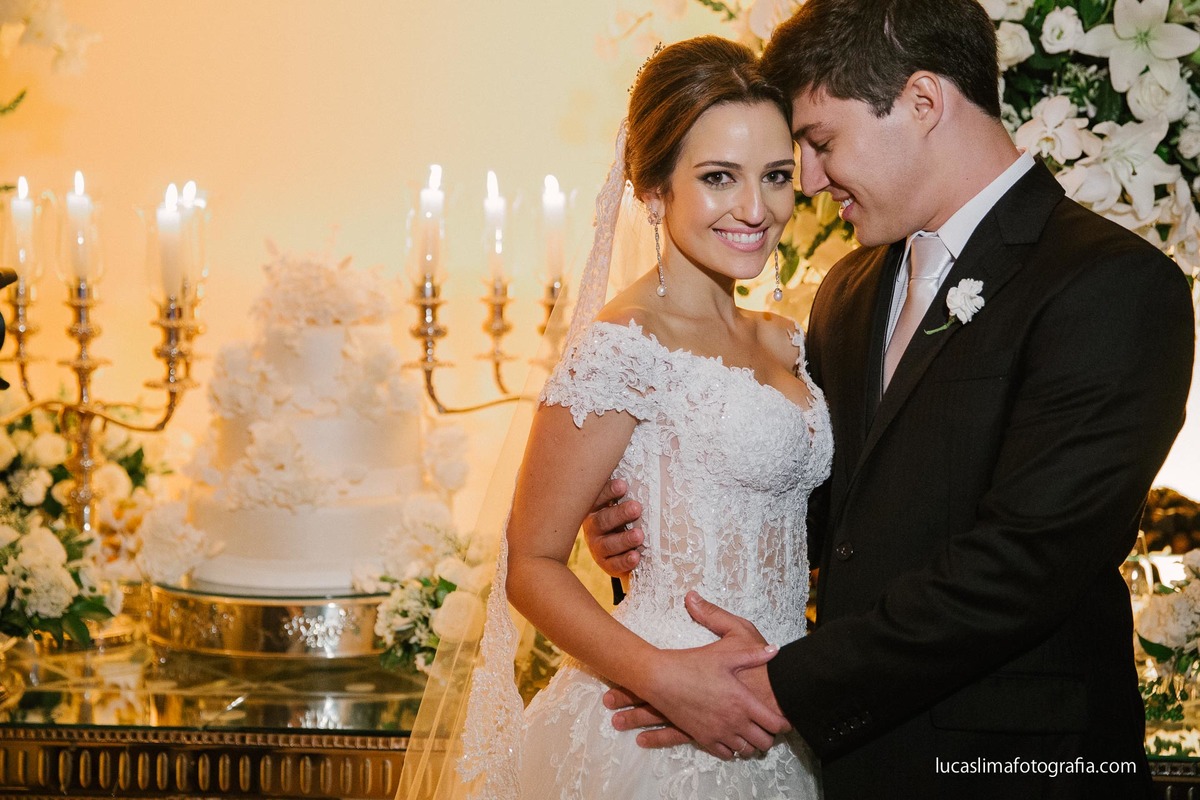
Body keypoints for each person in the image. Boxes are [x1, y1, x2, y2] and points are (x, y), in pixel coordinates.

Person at [583, 1, 1197, 797]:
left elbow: (1027, 561)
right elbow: (823, 511)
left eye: (820, 142)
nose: (807, 181)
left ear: (923, 101)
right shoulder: (849, 288)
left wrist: (779, 689)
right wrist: (656, 524)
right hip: (847, 768)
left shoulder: (1112, 284)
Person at [422, 36, 827, 799]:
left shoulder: (787, 338)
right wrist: (665, 679)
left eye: (776, 175)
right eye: (719, 177)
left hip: (790, 708)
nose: (756, 208)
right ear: (654, 190)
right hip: (656, 730)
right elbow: (531, 561)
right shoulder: (622, 346)